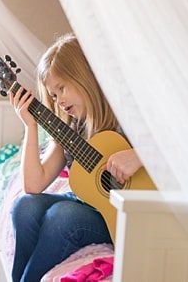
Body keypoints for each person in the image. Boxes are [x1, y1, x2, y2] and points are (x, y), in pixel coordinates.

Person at [8, 34, 144, 282]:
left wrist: (139, 155)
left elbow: (176, 147)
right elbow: (34, 185)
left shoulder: (126, 115)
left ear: (85, 77)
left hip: (117, 214)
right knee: (23, 207)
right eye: (53, 93)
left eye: (62, 88)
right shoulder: (69, 129)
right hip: (86, 203)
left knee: (62, 217)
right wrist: (30, 126)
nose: (59, 99)